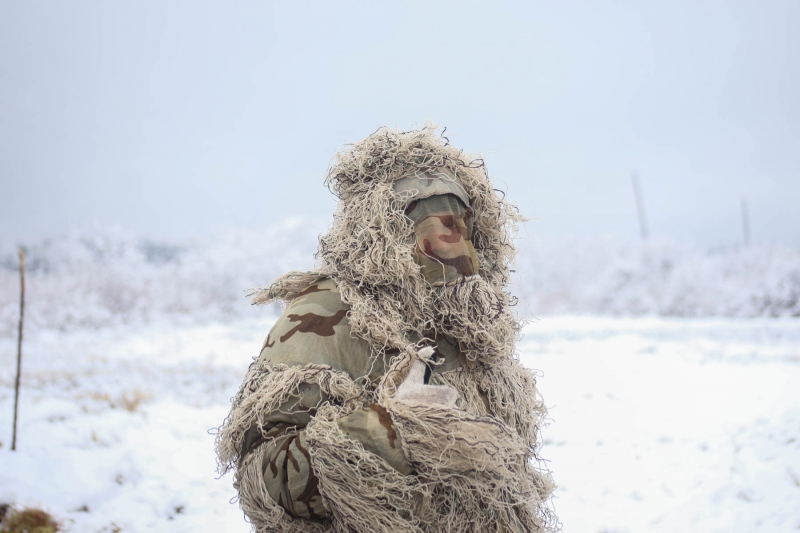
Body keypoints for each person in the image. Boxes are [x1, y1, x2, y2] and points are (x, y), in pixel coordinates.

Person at [215, 126, 558, 532]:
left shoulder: (469, 322)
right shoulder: (325, 314)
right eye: (427, 227)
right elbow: (264, 479)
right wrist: (392, 429)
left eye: (460, 224)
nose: (453, 248)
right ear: (381, 232)